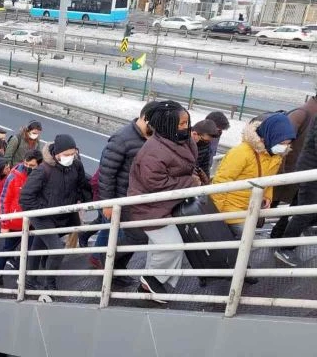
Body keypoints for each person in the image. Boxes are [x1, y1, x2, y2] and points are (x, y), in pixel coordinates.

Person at [127, 101, 203, 302]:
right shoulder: (153, 151)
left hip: (168, 204)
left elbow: (188, 166)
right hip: (148, 207)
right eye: (182, 123)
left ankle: (150, 289)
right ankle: (151, 280)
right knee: (172, 246)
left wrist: (193, 178)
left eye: (187, 122)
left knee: (160, 248)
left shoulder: (182, 140)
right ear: (168, 125)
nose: (187, 127)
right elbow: (155, 182)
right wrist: (191, 181)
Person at [19, 135, 91, 292]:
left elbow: (82, 185)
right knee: (57, 250)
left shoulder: (76, 166)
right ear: (57, 153)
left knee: (39, 245)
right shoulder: (43, 170)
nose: (70, 157)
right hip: (43, 216)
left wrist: (84, 200)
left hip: (63, 215)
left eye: (73, 153)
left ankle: (29, 279)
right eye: (67, 154)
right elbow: (25, 197)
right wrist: (43, 210)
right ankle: (49, 282)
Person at [95, 101, 156, 272]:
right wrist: (107, 203)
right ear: (145, 118)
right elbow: (106, 173)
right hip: (120, 200)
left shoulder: (151, 138)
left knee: (135, 238)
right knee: (125, 238)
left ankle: (117, 269)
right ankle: (104, 263)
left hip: (137, 201)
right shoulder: (122, 138)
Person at [211, 113, 294, 237]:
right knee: (247, 240)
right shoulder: (241, 152)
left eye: (288, 143)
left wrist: (267, 196)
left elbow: (268, 179)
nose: (285, 147)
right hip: (231, 209)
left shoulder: (275, 155)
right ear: (270, 136)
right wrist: (215, 214)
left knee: (244, 243)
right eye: (282, 143)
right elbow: (221, 181)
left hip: (250, 207)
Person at [269, 97, 317, 243]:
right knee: (271, 202)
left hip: (298, 170)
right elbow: (280, 142)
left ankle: (277, 235)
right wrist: (281, 169)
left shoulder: (308, 111)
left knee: (295, 207)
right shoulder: (302, 113)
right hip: (288, 171)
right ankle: (270, 235)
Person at [0, 149, 42, 286]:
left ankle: (23, 276)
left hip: (32, 221)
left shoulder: (41, 176)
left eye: (32, 166)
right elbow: (4, 200)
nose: (28, 167)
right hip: (15, 222)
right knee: (8, 248)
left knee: (28, 251)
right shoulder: (14, 176)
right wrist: (4, 224)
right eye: (27, 164)